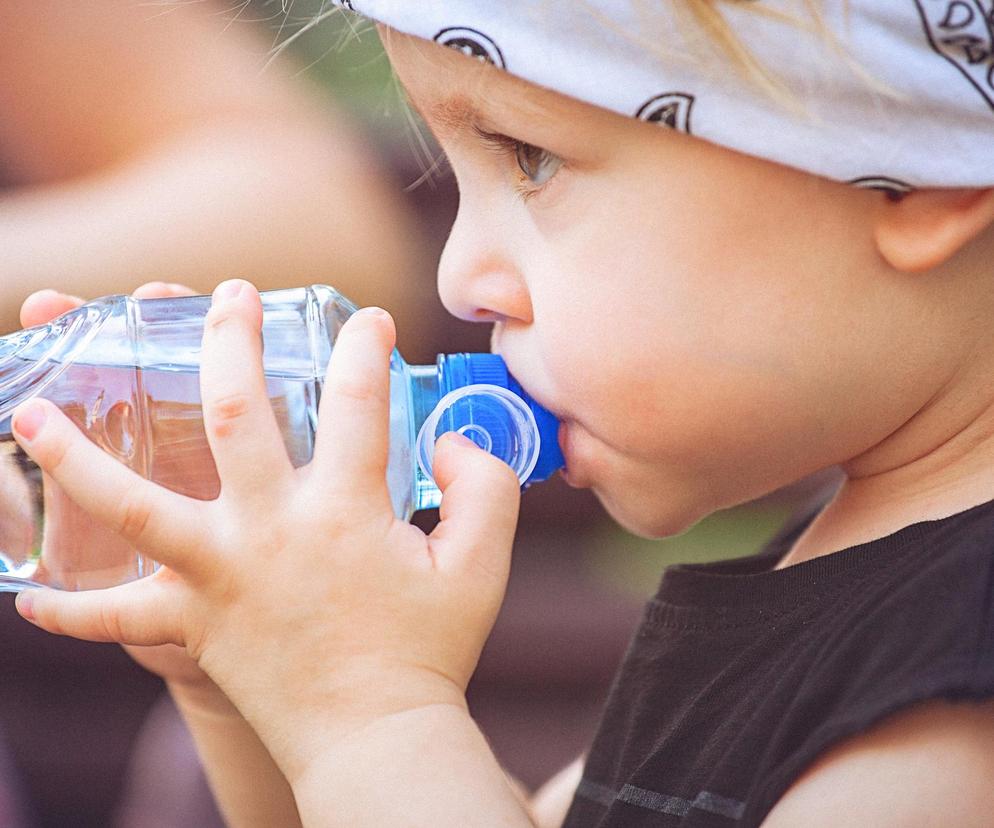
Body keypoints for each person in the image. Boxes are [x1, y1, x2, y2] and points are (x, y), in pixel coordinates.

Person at [8, 2, 994, 826]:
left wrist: (367, 716)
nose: (460, 277)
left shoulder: (950, 704)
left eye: (529, 158)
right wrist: (255, 691)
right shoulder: (836, 595)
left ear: (914, 172)